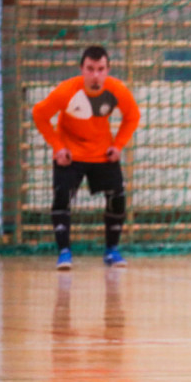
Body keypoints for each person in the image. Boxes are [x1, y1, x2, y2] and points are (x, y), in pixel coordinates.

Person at [32, 46, 141, 270]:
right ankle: (64, 252)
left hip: (102, 153)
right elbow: (39, 114)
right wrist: (58, 147)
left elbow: (132, 116)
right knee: (61, 197)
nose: (95, 75)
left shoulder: (116, 90)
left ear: (108, 70)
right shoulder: (66, 91)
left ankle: (112, 250)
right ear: (82, 69)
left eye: (100, 69)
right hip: (70, 154)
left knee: (117, 197)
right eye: (90, 69)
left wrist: (118, 145)